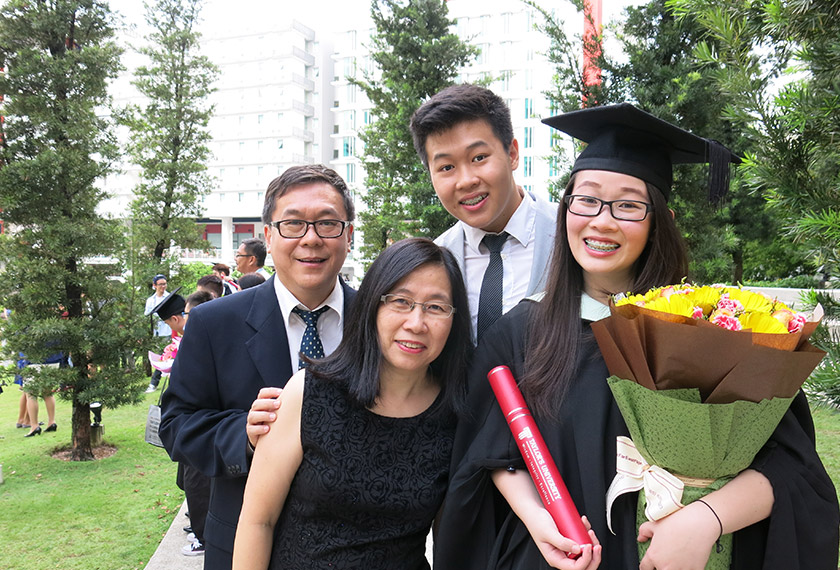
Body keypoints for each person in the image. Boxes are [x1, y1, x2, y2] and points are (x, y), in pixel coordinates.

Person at [434, 103, 840, 570]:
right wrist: (541, 520)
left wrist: (705, 521)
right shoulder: (520, 333)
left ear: (658, 220)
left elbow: (793, 469)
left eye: (628, 205)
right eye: (586, 200)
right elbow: (490, 455)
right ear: (567, 208)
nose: (602, 222)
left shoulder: (710, 327)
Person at [232, 237, 472, 570]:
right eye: (400, 301)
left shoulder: (455, 411)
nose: (416, 323)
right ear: (372, 305)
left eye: (436, 307)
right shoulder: (309, 392)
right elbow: (259, 521)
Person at [160, 164, 356, 570]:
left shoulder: (378, 320)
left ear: (349, 235)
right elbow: (176, 425)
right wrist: (243, 434)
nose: (311, 239)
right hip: (244, 546)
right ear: (268, 235)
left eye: (328, 224)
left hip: (356, 546)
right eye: (293, 224)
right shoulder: (214, 323)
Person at [409, 84, 557, 342]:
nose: (465, 181)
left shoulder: (569, 235)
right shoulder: (435, 260)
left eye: (478, 157)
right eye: (446, 167)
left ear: (512, 154)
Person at [153, 289, 215, 556]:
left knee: (197, 479)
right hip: (188, 420)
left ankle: (204, 537)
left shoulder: (202, 336)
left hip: (200, 421)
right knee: (191, 477)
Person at [144, 274, 171, 393]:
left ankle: (154, 383)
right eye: (160, 284)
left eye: (164, 284)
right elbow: (147, 315)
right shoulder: (151, 300)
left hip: (168, 331)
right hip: (156, 332)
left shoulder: (169, 297)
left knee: (164, 357)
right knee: (158, 358)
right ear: (154, 286)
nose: (163, 286)